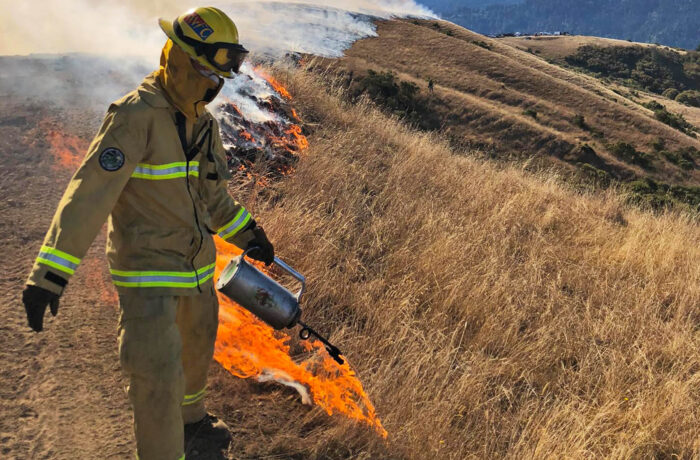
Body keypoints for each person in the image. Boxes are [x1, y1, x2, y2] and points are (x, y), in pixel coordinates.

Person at [21, 7, 274, 459]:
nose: (216, 84)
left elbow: (214, 200)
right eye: (211, 71)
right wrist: (49, 274)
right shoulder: (135, 116)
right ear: (183, 58)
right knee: (156, 380)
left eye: (222, 75)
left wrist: (249, 234)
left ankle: (191, 425)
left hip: (196, 272)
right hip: (147, 276)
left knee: (195, 357)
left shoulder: (204, 125)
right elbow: (89, 194)